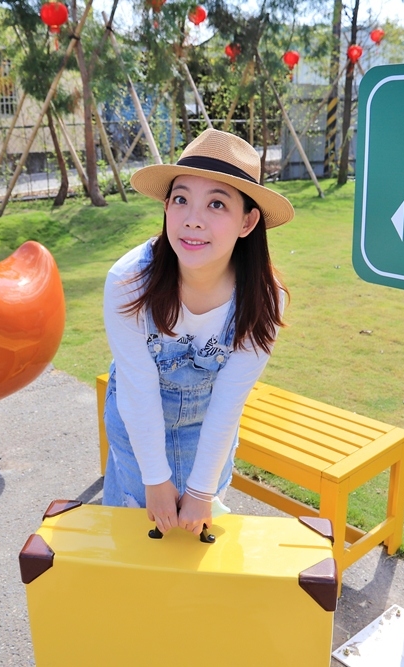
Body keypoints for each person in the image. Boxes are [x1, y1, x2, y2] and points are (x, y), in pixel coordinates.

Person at [102, 128, 294, 537]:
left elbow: (229, 402)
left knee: (198, 535)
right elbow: (137, 389)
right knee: (135, 532)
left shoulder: (264, 299)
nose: (192, 218)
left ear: (248, 221)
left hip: (207, 425)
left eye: (217, 204)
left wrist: (202, 490)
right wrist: (154, 480)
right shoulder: (128, 283)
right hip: (137, 419)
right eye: (181, 199)